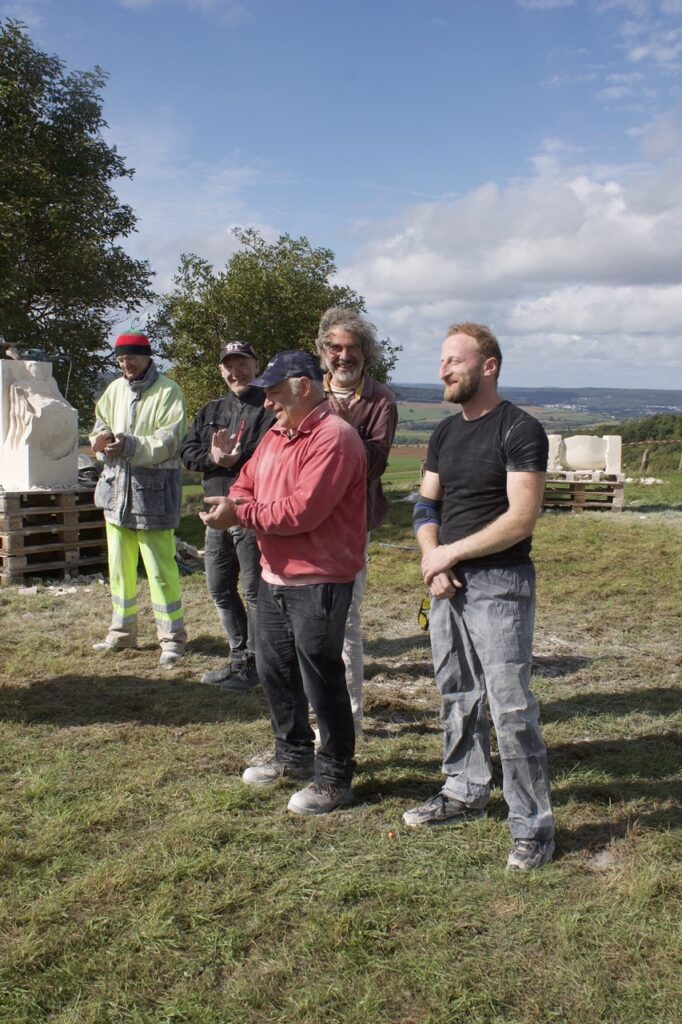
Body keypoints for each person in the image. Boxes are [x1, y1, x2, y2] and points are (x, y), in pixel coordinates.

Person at [405, 322, 555, 871]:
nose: (443, 370)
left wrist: (452, 554)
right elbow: (425, 508)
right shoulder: (444, 433)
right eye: (441, 361)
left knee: (511, 705)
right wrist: (433, 557)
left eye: (453, 361)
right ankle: (465, 789)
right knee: (456, 692)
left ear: (488, 365)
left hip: (500, 584)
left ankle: (532, 826)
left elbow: (521, 518)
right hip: (447, 584)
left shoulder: (520, 428)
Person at [200, 351, 367, 816]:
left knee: (321, 676)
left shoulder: (334, 438)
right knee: (276, 671)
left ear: (304, 388)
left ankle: (334, 777)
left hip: (320, 578)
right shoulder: (276, 433)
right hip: (274, 574)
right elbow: (245, 481)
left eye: (274, 392)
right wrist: (236, 502)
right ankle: (293, 755)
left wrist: (240, 514)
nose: (267, 401)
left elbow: (301, 512)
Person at [315, 308, 397, 738]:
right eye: (336, 347)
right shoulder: (306, 391)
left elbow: (375, 464)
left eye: (352, 348)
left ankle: (350, 721)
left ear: (366, 354)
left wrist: (343, 431)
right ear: (323, 351)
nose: (344, 356)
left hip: (351, 523)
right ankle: (316, 714)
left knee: (345, 619)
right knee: (307, 619)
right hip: (305, 522)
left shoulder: (380, 398)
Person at [90, 331, 188, 668]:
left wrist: (130, 445)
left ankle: (172, 640)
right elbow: (100, 421)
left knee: (161, 570)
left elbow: (169, 440)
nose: (125, 364)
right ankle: (122, 632)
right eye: (119, 359)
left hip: (153, 497)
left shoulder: (169, 391)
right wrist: (99, 437)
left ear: (147, 357)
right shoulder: (115, 389)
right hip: (116, 493)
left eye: (131, 357)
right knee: (119, 570)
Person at [181, 341, 274, 689]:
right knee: (219, 589)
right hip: (213, 515)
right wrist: (214, 460)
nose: (236, 372)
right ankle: (239, 659)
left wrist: (239, 459)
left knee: (254, 592)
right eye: (229, 366)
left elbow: (274, 455)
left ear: (256, 364)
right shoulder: (209, 410)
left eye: (243, 364)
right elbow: (187, 453)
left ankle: (258, 666)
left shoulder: (269, 408)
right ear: (221, 370)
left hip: (248, 513)